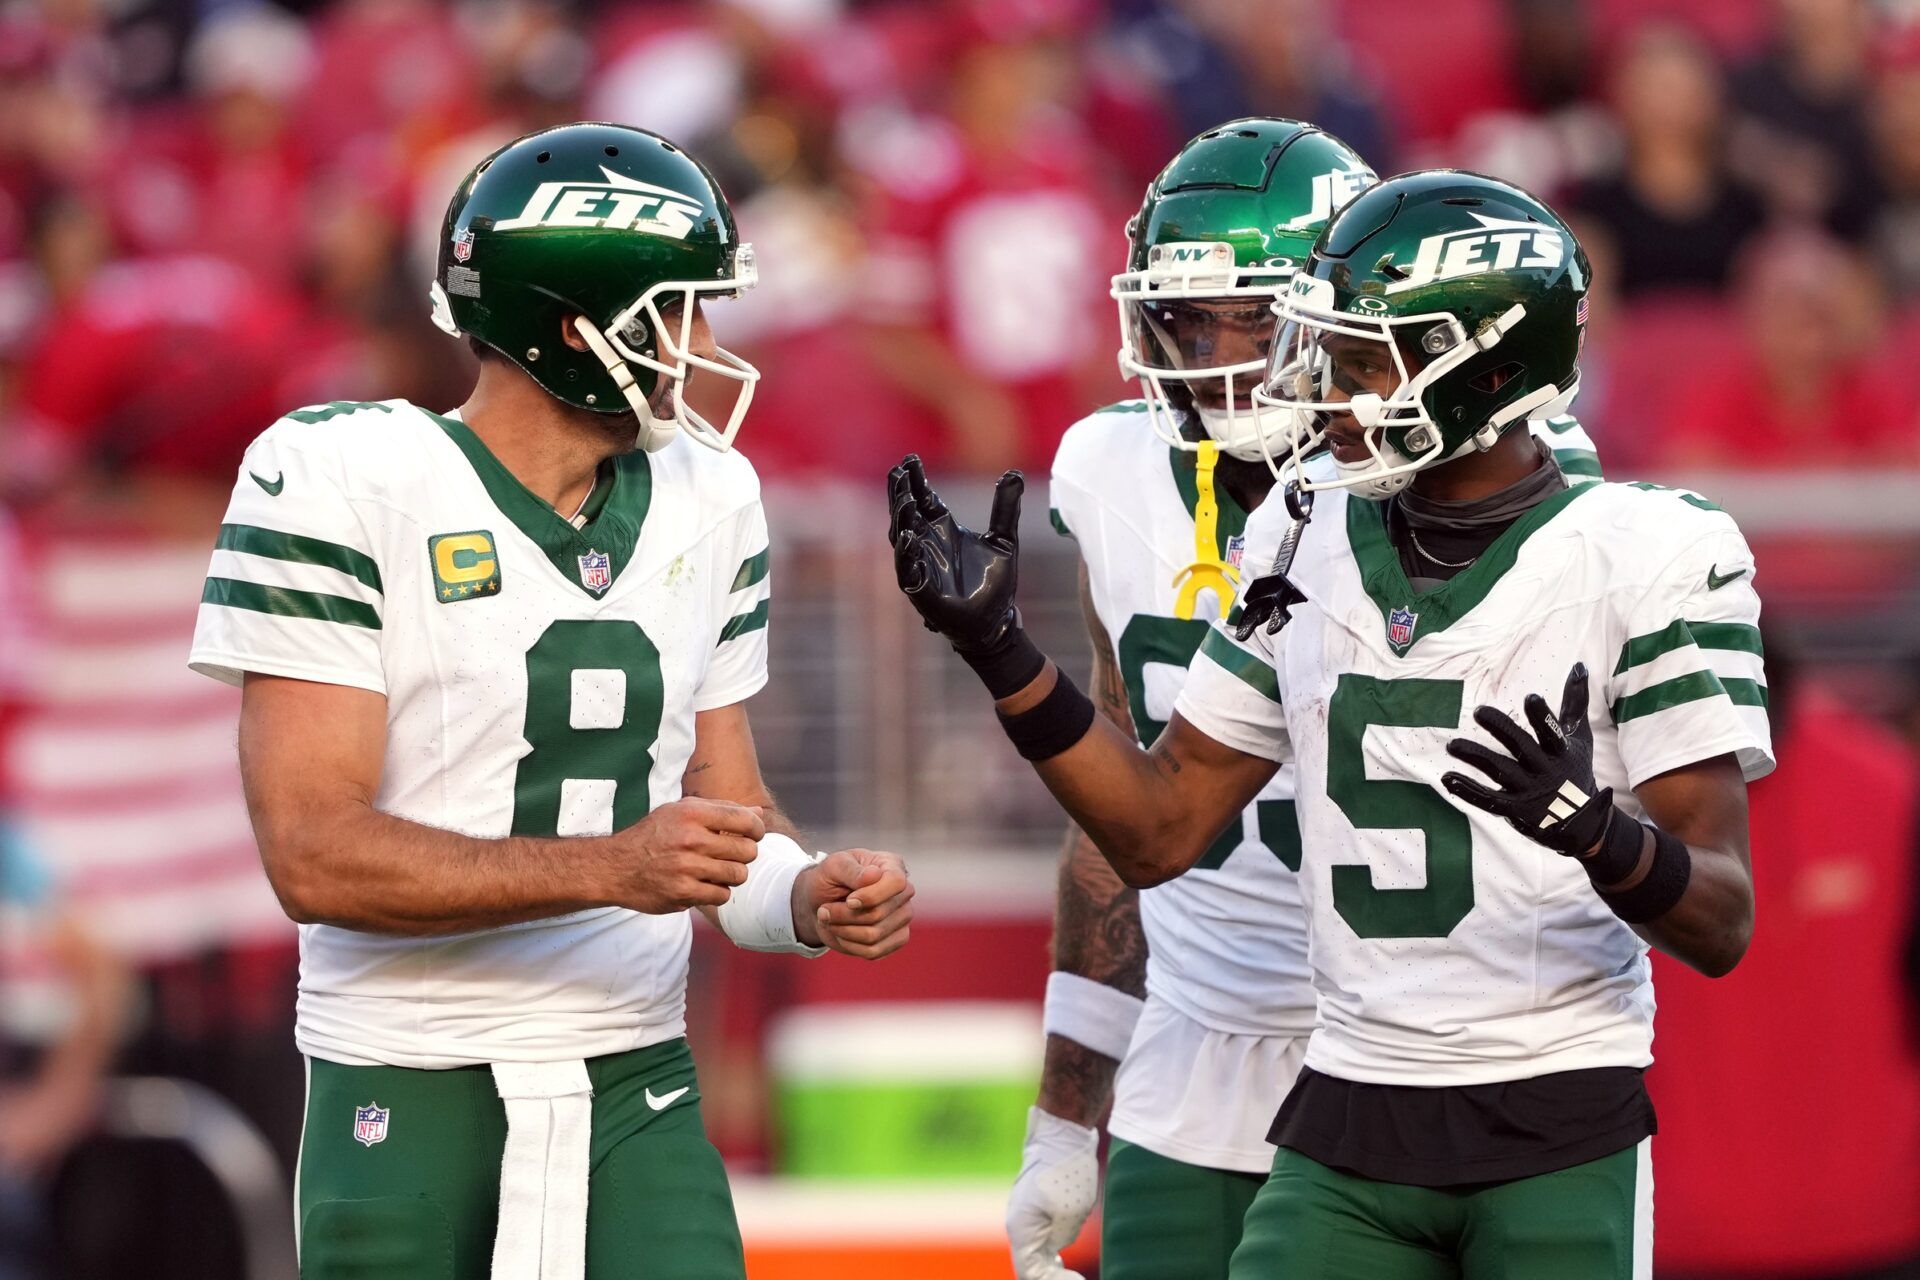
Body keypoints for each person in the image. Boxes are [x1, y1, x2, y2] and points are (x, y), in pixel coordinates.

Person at [894, 170, 1768, 1277]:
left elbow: (1724, 919)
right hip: (1344, 1110)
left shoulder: (1643, 550)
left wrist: (1597, 829)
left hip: (1555, 1105)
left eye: (1359, 362)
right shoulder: (1304, 531)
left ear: (1482, 371)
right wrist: (1001, 651)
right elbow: (1158, 829)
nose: (1322, 393)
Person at [187, 122, 916, 1280]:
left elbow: (725, 813)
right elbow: (313, 854)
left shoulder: (711, 493)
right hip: (409, 1071)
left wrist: (807, 893)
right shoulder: (345, 477)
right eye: (680, 311)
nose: (707, 343)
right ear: (577, 328)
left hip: (634, 1073)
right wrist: (612, 868)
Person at [1007, 121, 1605, 1280]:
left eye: (1255, 318)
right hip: (1193, 1051)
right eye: (1189, 319)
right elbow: (1112, 818)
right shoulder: (1106, 469)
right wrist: (1063, 1110)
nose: (1221, 358)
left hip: (1418, 1045)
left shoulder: (1494, 480)